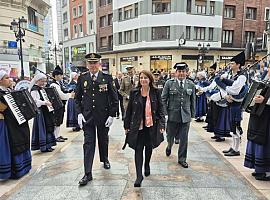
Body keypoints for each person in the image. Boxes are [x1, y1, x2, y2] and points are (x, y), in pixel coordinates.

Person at [75, 53, 118, 186]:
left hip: (103, 116)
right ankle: (87, 173)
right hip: (88, 117)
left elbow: (114, 99)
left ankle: (105, 159)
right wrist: (79, 113)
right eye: (90, 63)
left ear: (99, 63)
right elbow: (77, 98)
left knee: (103, 139)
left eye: (95, 63)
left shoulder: (107, 78)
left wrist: (111, 115)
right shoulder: (83, 78)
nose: (93, 65)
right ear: (87, 64)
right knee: (88, 144)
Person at [124, 70, 165, 187]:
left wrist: (162, 124)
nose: (143, 80)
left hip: (151, 126)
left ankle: (146, 164)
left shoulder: (156, 92)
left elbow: (161, 109)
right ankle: (138, 175)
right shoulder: (134, 92)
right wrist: (126, 126)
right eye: (141, 78)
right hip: (137, 127)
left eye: (145, 78)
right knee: (138, 149)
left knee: (149, 147)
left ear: (150, 80)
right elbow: (129, 110)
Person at [161, 62, 196, 168]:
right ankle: (169, 146)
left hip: (185, 116)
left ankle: (182, 159)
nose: (181, 73)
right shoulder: (169, 83)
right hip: (172, 115)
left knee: (184, 139)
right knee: (170, 136)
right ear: (175, 73)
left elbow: (193, 100)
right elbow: (163, 99)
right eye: (179, 71)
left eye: (183, 71)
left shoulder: (191, 84)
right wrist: (165, 113)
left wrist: (192, 115)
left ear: (187, 73)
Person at [0, 70, 31, 179]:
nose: (10, 80)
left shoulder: (10, 91)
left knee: (23, 137)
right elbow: (3, 109)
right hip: (8, 124)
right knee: (13, 143)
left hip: (18, 121)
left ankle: (24, 166)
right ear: (0, 81)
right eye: (7, 78)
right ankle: (15, 170)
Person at [215, 51, 248, 156]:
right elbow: (229, 88)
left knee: (236, 126)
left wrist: (225, 88)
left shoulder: (242, 76)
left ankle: (236, 149)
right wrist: (226, 95)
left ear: (238, 65)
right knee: (232, 126)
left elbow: (235, 91)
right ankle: (233, 147)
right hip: (231, 103)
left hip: (237, 105)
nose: (230, 65)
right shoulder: (232, 75)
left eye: (232, 63)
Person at [244, 66, 270, 181]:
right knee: (256, 139)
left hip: (267, 119)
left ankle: (265, 170)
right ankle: (258, 167)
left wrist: (264, 100)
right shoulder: (266, 80)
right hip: (260, 116)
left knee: (265, 143)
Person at [30, 73, 56, 153]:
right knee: (43, 128)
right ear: (37, 81)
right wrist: (44, 102)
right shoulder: (34, 89)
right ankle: (43, 147)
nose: (44, 83)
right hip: (41, 111)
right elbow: (34, 100)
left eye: (45, 81)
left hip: (46, 110)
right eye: (42, 81)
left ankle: (48, 145)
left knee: (48, 127)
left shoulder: (41, 88)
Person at [50, 66, 72, 142]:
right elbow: (61, 95)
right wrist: (70, 95)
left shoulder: (58, 83)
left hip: (60, 105)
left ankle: (57, 135)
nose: (61, 76)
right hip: (56, 106)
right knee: (56, 121)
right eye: (60, 75)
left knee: (59, 120)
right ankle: (55, 136)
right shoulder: (54, 85)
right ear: (55, 76)